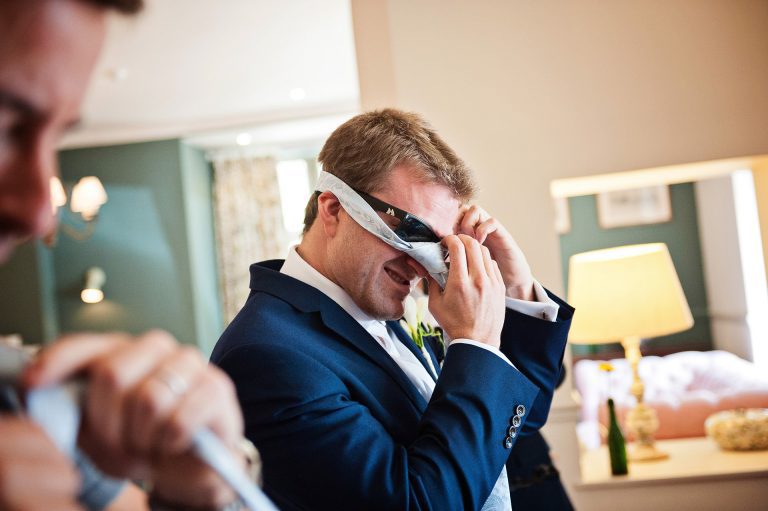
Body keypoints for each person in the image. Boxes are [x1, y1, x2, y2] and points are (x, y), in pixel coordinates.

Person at [212, 109, 574, 510]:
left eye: (439, 246)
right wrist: (474, 344)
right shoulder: (267, 357)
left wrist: (517, 288)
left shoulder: (374, 303)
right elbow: (415, 503)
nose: (422, 266)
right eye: (410, 232)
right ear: (333, 209)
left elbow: (508, 431)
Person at [0, 1, 252, 509]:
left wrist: (205, 491)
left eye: (57, 138)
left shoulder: (17, 395)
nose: (38, 214)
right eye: (4, 125)